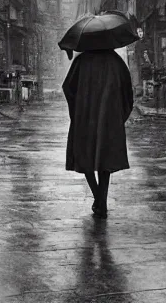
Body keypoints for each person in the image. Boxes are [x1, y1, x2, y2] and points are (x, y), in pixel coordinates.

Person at [62, 49, 134, 219]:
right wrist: (120, 115)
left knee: (84, 156)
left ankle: (98, 198)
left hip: (84, 116)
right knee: (105, 159)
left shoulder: (81, 61)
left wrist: (77, 109)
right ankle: (102, 200)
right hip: (109, 118)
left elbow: (67, 87)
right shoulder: (115, 61)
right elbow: (128, 91)